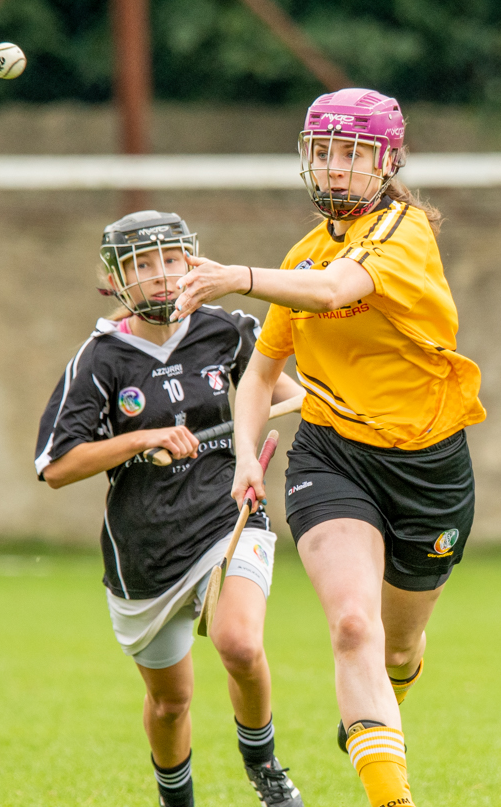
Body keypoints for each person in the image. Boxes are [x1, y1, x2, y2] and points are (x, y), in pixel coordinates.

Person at [168, 89, 487, 807]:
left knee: (397, 647)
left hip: (428, 465)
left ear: (387, 163)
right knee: (351, 622)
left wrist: (238, 277)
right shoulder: (305, 255)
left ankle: (382, 697)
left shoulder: (403, 231)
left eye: (353, 155)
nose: (336, 170)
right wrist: (246, 454)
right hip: (331, 455)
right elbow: (261, 374)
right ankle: (391, 796)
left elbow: (338, 288)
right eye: (324, 153)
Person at [34, 210, 304, 807]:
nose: (161, 276)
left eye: (172, 260)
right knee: (170, 701)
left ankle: (262, 763)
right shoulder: (101, 360)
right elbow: (56, 466)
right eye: (143, 264)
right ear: (118, 278)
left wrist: (263, 433)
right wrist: (140, 440)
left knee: (238, 642)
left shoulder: (226, 330)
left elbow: (295, 398)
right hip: (144, 550)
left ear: (192, 262)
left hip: (226, 515)